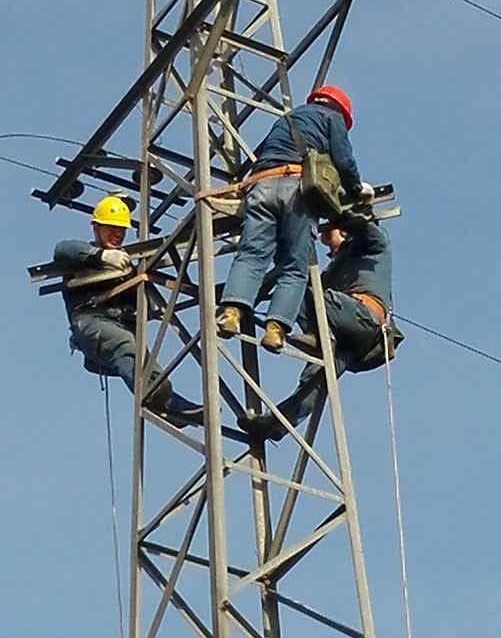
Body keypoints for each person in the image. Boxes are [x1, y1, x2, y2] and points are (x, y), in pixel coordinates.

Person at [216, 85, 373, 353]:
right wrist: (356, 189)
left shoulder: (287, 118)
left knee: (251, 254)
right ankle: (275, 328)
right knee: (294, 266)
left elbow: (265, 153)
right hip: (295, 190)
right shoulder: (332, 118)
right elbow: (343, 159)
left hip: (262, 186)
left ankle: (231, 312)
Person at [237, 213, 392, 441]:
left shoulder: (373, 247)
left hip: (361, 317)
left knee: (295, 285)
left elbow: (363, 227)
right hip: (348, 337)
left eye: (330, 239)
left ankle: (318, 336)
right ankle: (277, 425)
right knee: (315, 381)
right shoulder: (336, 269)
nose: (329, 248)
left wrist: (337, 213)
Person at [53, 195, 203, 428]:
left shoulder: (126, 263)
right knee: (124, 345)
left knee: (145, 362)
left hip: (122, 325)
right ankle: (155, 396)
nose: (117, 234)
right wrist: (101, 256)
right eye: (111, 228)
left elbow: (144, 303)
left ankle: (170, 405)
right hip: (92, 322)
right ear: (96, 227)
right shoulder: (83, 255)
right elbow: (62, 249)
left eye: (121, 230)